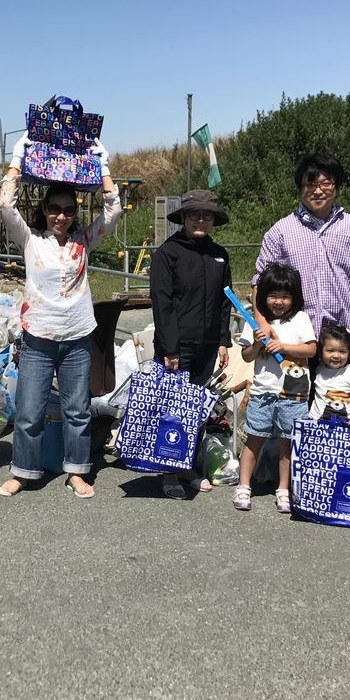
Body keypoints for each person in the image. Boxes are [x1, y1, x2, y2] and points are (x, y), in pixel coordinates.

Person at [0, 132, 120, 499]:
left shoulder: (84, 240)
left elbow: (112, 211)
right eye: (54, 209)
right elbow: (6, 206)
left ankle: (77, 471)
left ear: (75, 213)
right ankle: (23, 471)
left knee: (77, 410)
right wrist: (18, 158)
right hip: (38, 337)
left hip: (77, 336)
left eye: (68, 210)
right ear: (45, 210)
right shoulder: (30, 239)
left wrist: (103, 166)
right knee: (29, 410)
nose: (61, 216)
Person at [252, 153, 350, 372]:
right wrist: (261, 322)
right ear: (300, 188)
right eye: (310, 184)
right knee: (294, 396)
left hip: (342, 340)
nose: (318, 190)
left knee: (346, 395)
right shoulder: (280, 231)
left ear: (336, 186)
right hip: (294, 342)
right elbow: (259, 280)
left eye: (325, 183)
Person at [150, 189, 233, 498]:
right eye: (195, 215)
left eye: (207, 216)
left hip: (207, 345)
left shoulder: (219, 255)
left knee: (196, 409)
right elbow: (162, 303)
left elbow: (225, 302)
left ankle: (187, 466)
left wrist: (223, 341)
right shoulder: (168, 253)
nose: (201, 220)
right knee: (173, 409)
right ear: (183, 218)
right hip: (177, 346)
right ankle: (169, 471)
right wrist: (170, 347)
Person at [234, 264, 316, 513]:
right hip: (262, 392)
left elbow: (311, 349)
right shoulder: (256, 323)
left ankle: (283, 489)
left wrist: (283, 347)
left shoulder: (300, 319)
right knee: (253, 438)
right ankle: (243, 485)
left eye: (285, 296)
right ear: (263, 296)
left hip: (294, 394)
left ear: (294, 297)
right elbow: (247, 356)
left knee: (287, 443)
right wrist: (258, 344)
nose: (279, 302)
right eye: (272, 296)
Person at [308, 323, 350, 428]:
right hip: (316, 423)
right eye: (330, 351)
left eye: (342, 351)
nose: (336, 355)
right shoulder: (319, 369)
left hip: (345, 425)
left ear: (349, 352)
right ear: (321, 351)